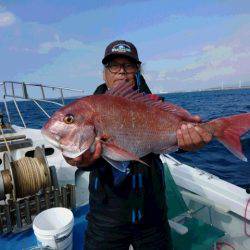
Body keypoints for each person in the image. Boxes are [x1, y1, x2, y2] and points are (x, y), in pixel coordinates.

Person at [64, 40, 212, 250]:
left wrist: (190, 144)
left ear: (138, 71)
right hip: (106, 218)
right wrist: (73, 158)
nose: (121, 72)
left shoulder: (155, 106)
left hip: (152, 215)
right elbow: (78, 153)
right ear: (105, 72)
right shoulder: (88, 110)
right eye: (114, 65)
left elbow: (176, 143)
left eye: (129, 66)